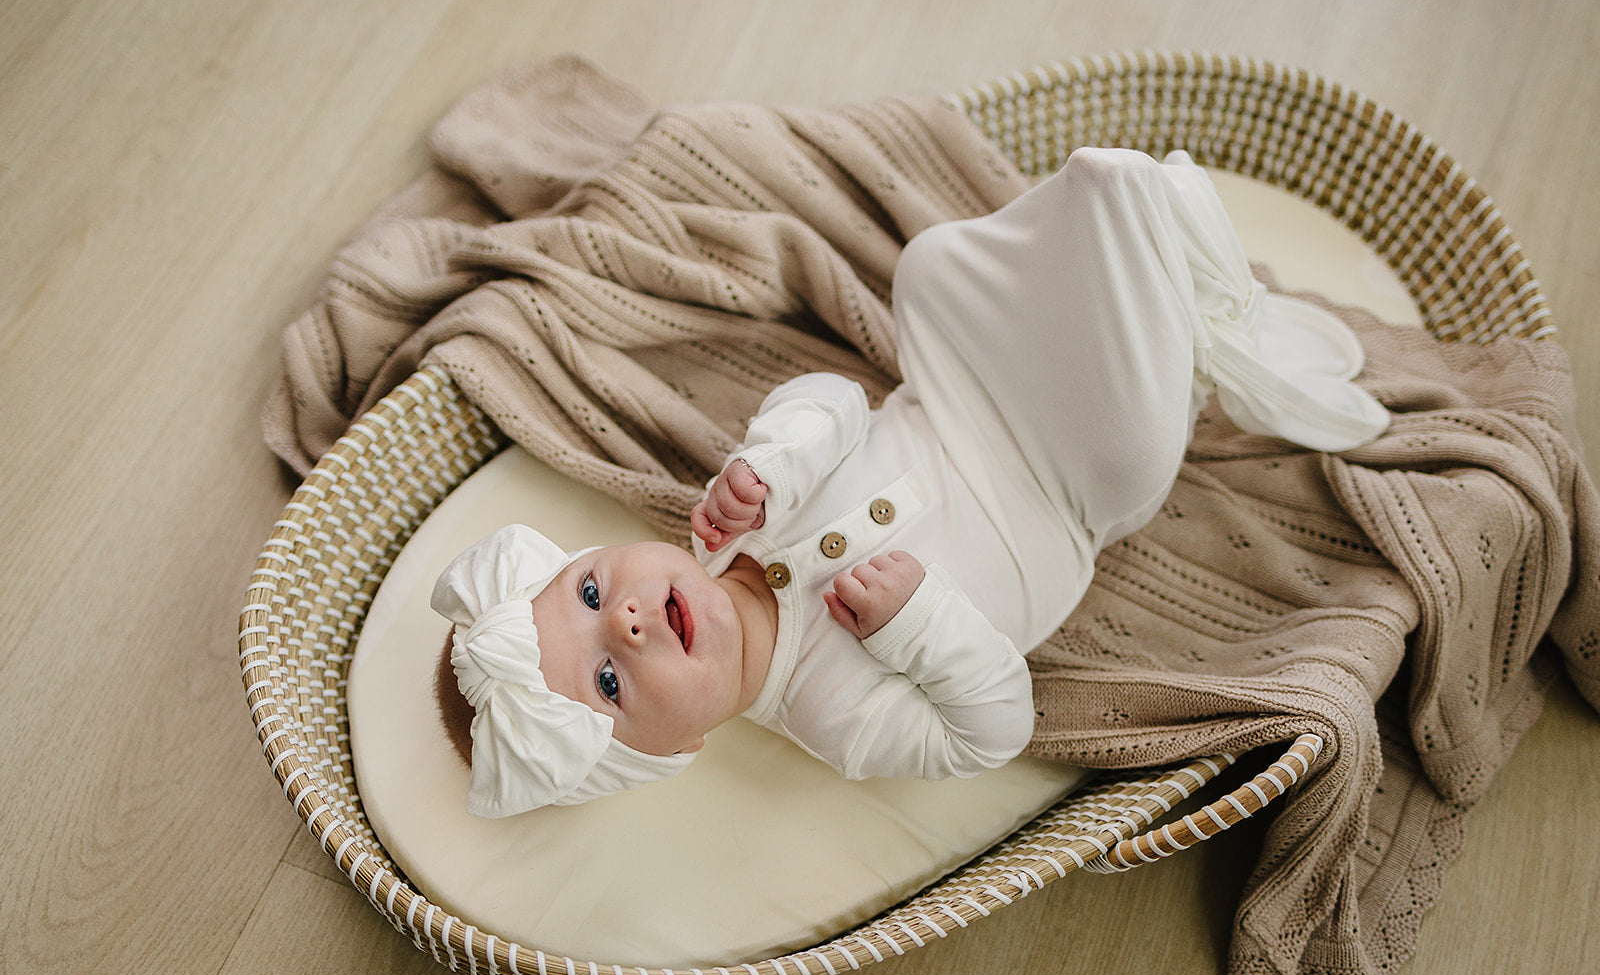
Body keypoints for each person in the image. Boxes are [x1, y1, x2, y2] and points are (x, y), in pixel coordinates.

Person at [431, 147, 1391, 817]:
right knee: (1134, 400)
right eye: (608, 679)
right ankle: (1194, 313)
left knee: (929, 268)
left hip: (962, 384)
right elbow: (994, 730)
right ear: (670, 753)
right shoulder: (834, 715)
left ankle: (1153, 265)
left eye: (591, 592)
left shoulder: (729, 522)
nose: (630, 621)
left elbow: (840, 400)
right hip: (1070, 487)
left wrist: (777, 458)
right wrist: (917, 622)